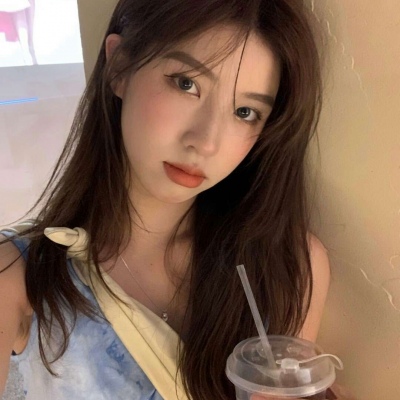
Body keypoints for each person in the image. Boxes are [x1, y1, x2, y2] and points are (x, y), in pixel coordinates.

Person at [0, 0, 355, 399]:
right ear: (120, 68)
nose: (206, 142)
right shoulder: (17, 275)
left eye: (245, 112)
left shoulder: (289, 265)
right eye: (186, 84)